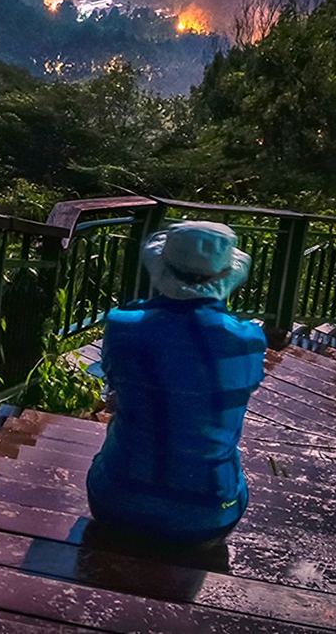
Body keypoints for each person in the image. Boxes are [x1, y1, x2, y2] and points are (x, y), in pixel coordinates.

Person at [85, 220, 266, 546]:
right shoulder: (248, 340)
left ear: (162, 267)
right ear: (225, 275)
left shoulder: (123, 326)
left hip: (114, 504)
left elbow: (114, 383)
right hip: (210, 516)